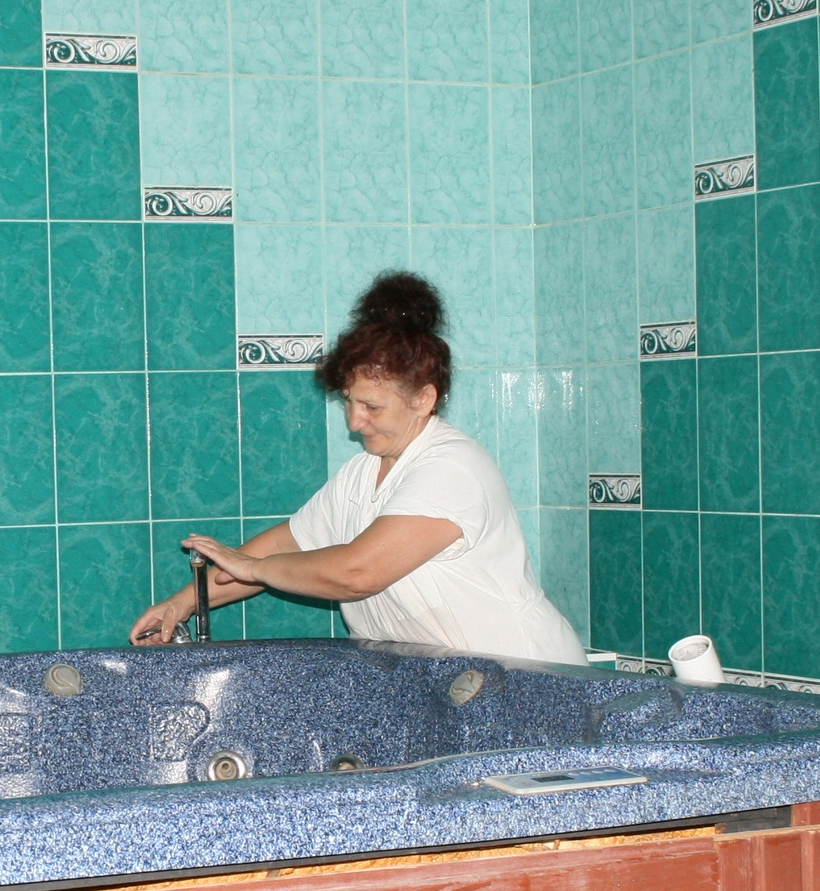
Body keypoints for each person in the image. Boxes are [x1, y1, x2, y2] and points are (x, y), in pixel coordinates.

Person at [129, 272, 588, 666]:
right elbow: (287, 542)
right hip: (447, 684)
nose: (354, 421)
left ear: (423, 399)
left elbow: (356, 573)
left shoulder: (452, 468)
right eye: (348, 401)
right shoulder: (363, 472)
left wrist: (256, 568)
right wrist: (182, 603)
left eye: (371, 406)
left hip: (528, 678)